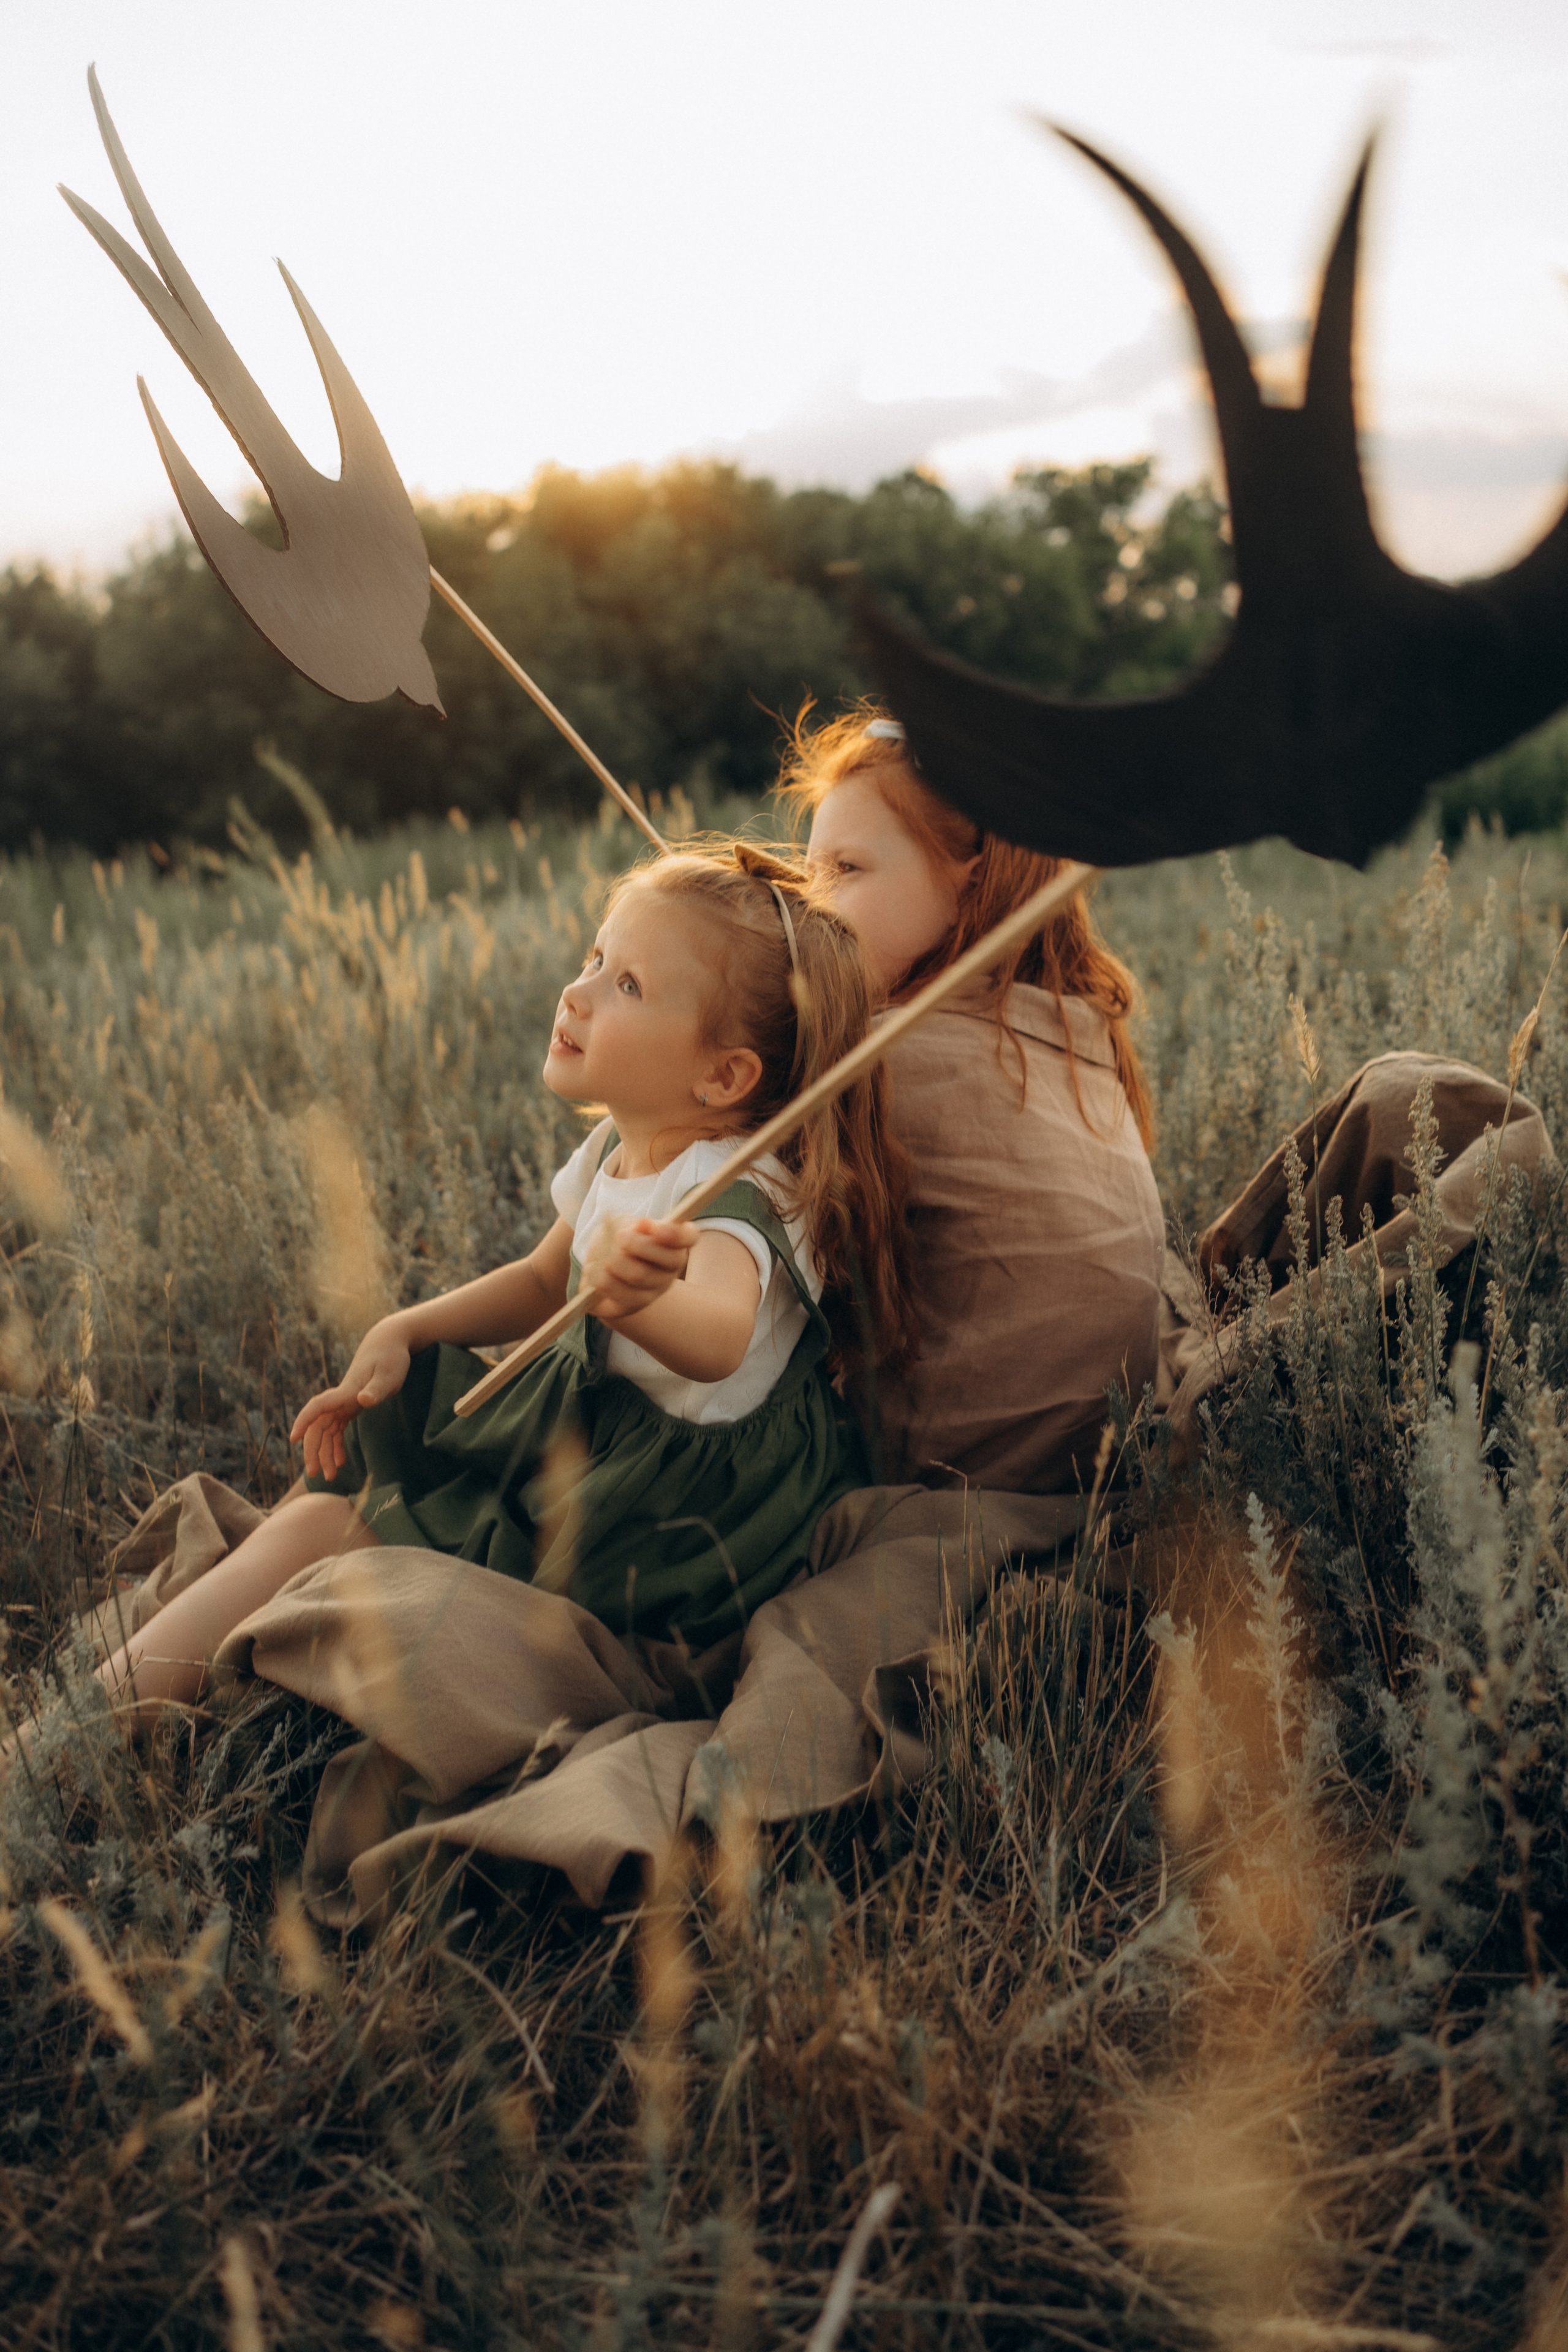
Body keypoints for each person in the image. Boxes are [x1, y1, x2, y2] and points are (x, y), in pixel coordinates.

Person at [91, 841, 914, 1735]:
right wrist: (407, 1327)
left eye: (629, 986)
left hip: (665, 1527)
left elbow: (719, 1337)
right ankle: (161, 1682)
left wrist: (643, 1298)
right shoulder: (615, 1146)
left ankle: (72, 1742)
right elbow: (539, 1278)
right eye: (596, 960)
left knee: (336, 1526)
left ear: (722, 1077)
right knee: (371, 1455)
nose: (578, 991)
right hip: (591, 1446)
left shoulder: (736, 1193)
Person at [780, 704, 1164, 1494]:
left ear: (974, 882)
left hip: (958, 1492)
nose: (809, 904)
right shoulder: (1072, 1028)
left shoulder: (888, 1057)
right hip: (1095, 1468)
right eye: (808, 870)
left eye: (845, 871)